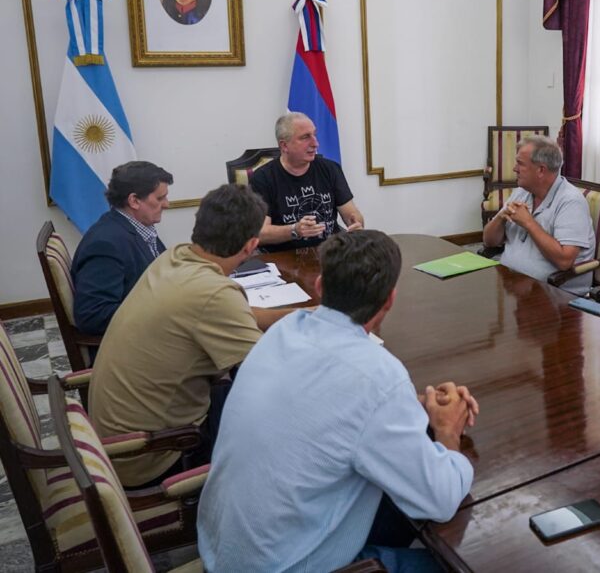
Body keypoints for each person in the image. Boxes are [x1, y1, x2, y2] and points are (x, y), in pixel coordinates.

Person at [198, 230, 477, 572]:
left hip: (223, 553)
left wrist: (409, 405)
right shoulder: (379, 376)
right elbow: (442, 499)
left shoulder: (283, 332)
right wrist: (448, 432)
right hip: (284, 565)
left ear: (319, 287)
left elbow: (326, 405)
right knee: (470, 560)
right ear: (389, 299)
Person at [88, 184, 293, 487]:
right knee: (287, 422)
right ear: (251, 246)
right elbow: (276, 373)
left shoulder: (175, 257)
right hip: (154, 455)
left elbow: (235, 317)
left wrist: (301, 316)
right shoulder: (214, 293)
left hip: (117, 437)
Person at [71, 161, 173, 337]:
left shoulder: (138, 226)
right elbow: (93, 316)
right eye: (160, 198)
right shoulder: (105, 244)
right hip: (134, 344)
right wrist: (165, 314)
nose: (167, 204)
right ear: (134, 200)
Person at [481, 135, 595, 292]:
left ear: (541, 170)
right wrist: (500, 218)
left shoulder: (571, 202)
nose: (514, 169)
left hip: (552, 295)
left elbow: (564, 261)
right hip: (512, 284)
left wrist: (528, 223)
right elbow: (489, 241)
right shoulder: (522, 192)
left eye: (520, 164)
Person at [250, 112, 365, 252]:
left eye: (314, 135)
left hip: (330, 253)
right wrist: (294, 230)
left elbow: (352, 214)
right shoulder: (263, 178)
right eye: (305, 137)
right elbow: (260, 233)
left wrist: (356, 224)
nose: (315, 143)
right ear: (284, 146)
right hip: (284, 257)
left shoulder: (330, 169)